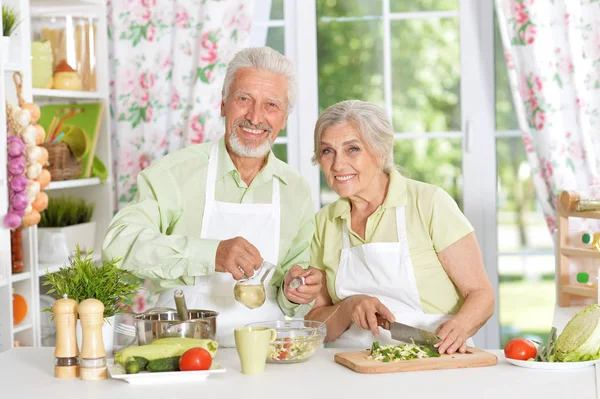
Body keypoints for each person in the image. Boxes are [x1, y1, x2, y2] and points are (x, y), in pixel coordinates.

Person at [102, 47, 322, 347]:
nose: (255, 117)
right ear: (223, 104)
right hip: (181, 342)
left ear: (284, 118)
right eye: (244, 99)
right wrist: (210, 254)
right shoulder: (175, 173)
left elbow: (294, 286)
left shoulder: (295, 189)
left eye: (271, 105)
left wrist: (297, 289)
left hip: (267, 348)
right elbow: (118, 244)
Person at [305, 100, 494, 354]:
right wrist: (348, 307)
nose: (338, 164)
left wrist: (460, 327)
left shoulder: (428, 203)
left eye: (352, 149)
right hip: (351, 366)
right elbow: (315, 323)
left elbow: (482, 294)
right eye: (328, 151)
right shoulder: (324, 222)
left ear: (380, 152)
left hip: (432, 359)